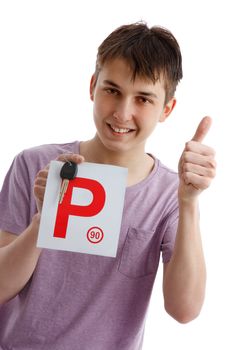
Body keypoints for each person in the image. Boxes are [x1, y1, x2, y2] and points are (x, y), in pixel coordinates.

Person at [0, 22, 216, 350]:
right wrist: (43, 222)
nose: (122, 113)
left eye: (143, 99)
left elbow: (184, 310)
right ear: (92, 86)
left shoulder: (169, 196)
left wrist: (188, 202)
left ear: (166, 109)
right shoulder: (34, 166)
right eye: (112, 90)